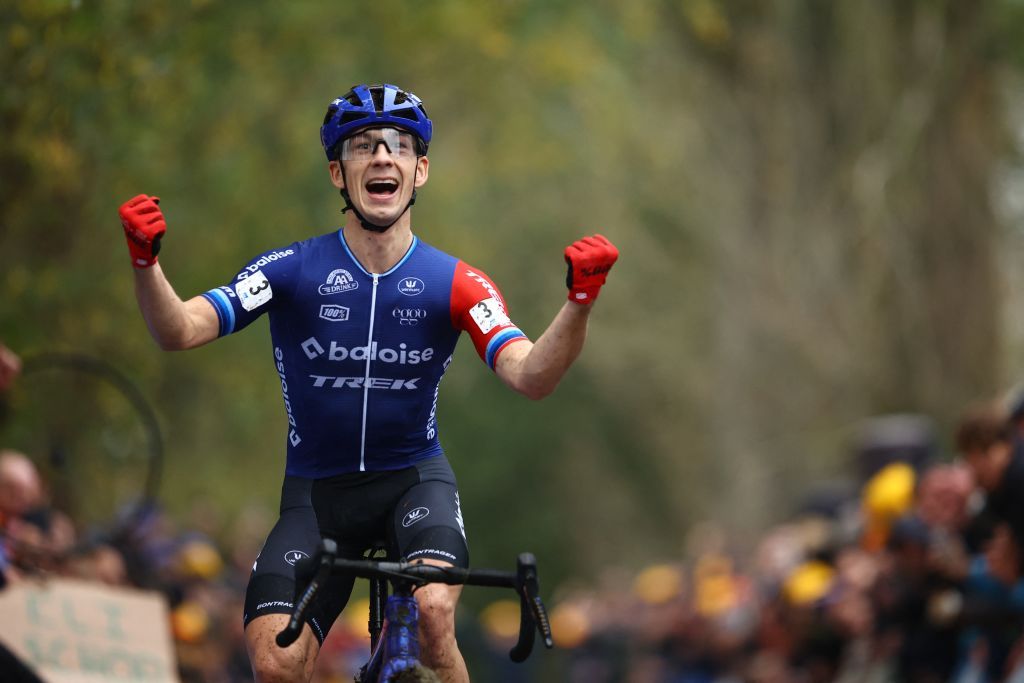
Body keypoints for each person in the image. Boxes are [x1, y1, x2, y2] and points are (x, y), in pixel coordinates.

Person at [118, 83, 618, 683]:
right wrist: (146, 264)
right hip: (315, 500)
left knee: (433, 616)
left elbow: (531, 375)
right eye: (362, 146)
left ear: (420, 169)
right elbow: (179, 329)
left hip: (412, 484)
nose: (382, 156)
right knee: (276, 665)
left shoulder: (457, 282)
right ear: (338, 172)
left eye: (399, 146)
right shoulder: (290, 269)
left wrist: (579, 303)